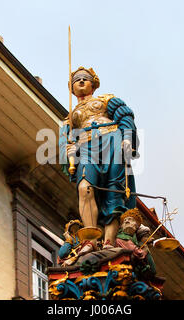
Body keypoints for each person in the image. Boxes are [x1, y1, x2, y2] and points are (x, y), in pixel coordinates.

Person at [59, 66, 139, 254]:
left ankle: (109, 241)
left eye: (85, 78)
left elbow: (124, 115)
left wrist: (128, 137)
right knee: (84, 188)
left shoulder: (106, 100)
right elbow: (66, 140)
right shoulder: (69, 118)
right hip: (86, 147)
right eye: (76, 79)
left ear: (93, 84)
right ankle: (91, 240)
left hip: (112, 140)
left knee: (114, 190)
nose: (80, 81)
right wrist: (68, 150)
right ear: (71, 87)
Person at [115, 208, 156, 280]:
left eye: (130, 220)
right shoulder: (122, 237)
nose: (127, 221)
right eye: (125, 220)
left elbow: (153, 270)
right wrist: (145, 250)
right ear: (121, 226)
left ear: (136, 226)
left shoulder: (134, 240)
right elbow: (135, 251)